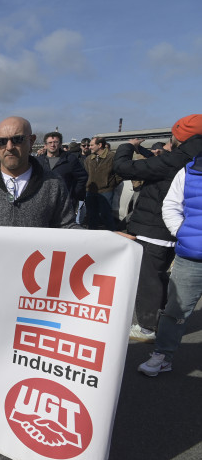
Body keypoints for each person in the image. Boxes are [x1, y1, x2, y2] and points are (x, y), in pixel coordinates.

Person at [114, 115, 202, 344]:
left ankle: (146, 327)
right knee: (161, 275)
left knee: (148, 278)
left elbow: (124, 167)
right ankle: (160, 319)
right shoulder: (192, 158)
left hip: (155, 228)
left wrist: (128, 146)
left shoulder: (175, 160)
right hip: (182, 231)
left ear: (181, 136)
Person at [138, 114, 202, 376]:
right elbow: (171, 206)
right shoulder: (189, 170)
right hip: (191, 256)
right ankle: (162, 355)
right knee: (175, 310)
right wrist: (183, 233)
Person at [35, 131, 87, 212]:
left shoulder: (70, 159)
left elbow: (82, 177)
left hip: (64, 203)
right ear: (45, 145)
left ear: (60, 144)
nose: (52, 145)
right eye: (50, 142)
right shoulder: (38, 161)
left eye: (56, 142)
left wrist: (73, 194)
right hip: (43, 202)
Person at [84, 136, 121, 230]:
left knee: (106, 216)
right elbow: (87, 173)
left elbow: (119, 173)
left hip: (106, 191)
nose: (89, 147)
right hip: (91, 191)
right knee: (91, 216)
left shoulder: (112, 157)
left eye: (92, 145)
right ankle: (92, 238)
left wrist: (110, 183)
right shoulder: (88, 159)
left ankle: (113, 236)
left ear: (100, 145)